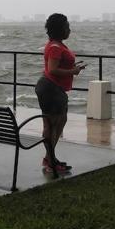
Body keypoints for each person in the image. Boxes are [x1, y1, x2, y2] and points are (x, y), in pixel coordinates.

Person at [35, 13, 85, 173]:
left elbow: (54, 67)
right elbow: (53, 69)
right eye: (67, 26)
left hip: (52, 88)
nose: (69, 29)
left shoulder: (54, 45)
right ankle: (50, 162)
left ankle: (49, 158)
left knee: (58, 122)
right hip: (51, 88)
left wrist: (72, 69)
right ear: (60, 29)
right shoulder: (55, 47)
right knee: (52, 125)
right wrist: (73, 71)